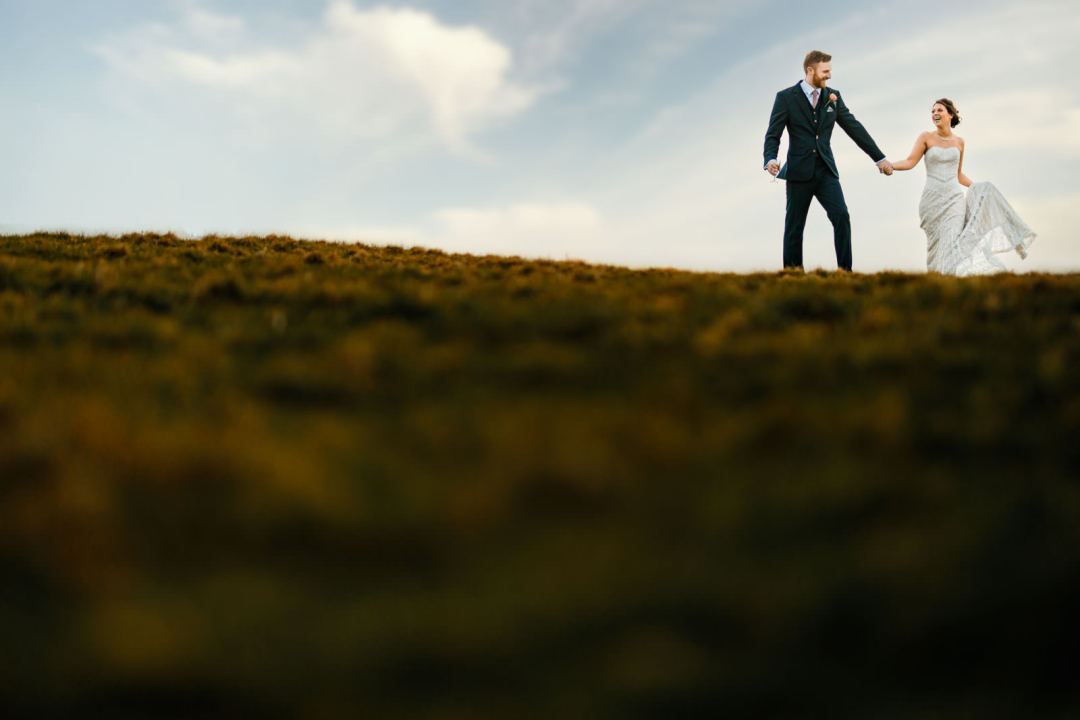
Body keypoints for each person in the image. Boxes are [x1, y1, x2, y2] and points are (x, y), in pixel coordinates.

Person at [763, 50, 893, 272]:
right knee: (795, 226)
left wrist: (879, 158)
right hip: (798, 172)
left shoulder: (834, 97)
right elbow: (773, 133)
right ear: (810, 70)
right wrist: (770, 159)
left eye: (830, 71)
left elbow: (855, 128)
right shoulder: (785, 97)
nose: (829, 76)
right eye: (825, 72)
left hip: (826, 171)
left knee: (841, 215)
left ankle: (846, 272)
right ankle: (793, 275)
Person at [888, 98, 1036, 275]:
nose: (935, 113)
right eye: (933, 111)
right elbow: (910, 161)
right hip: (931, 202)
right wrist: (890, 165)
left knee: (951, 243)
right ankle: (936, 284)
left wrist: (979, 189)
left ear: (950, 114)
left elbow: (958, 175)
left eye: (940, 110)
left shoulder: (959, 142)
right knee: (935, 250)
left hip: (954, 202)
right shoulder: (925, 137)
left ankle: (948, 280)